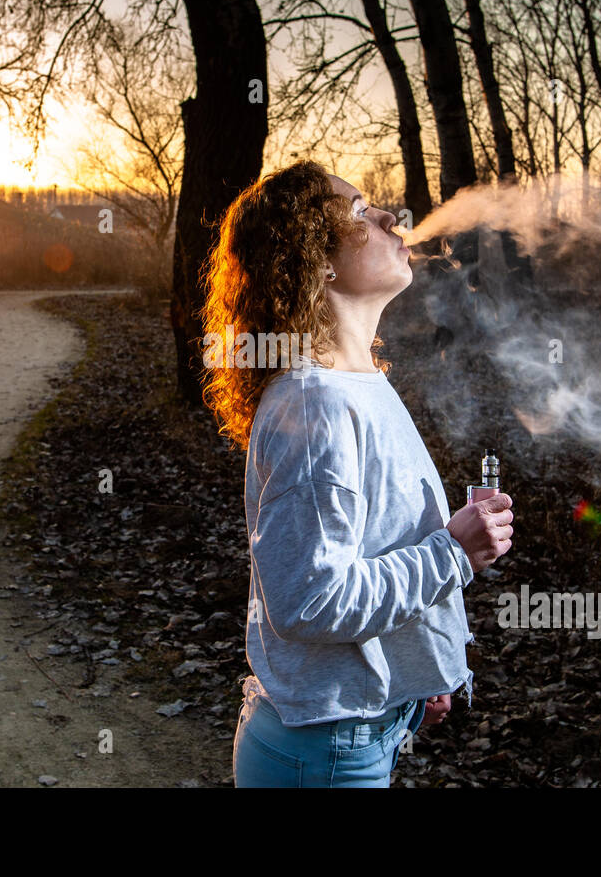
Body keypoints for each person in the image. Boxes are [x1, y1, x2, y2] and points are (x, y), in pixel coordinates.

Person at [200, 159, 515, 787]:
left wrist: (409, 668)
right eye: (358, 212)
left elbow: (370, 543)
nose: (390, 217)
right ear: (314, 260)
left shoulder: (359, 381)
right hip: (325, 754)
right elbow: (313, 601)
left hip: (354, 729)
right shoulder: (316, 404)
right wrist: (453, 554)